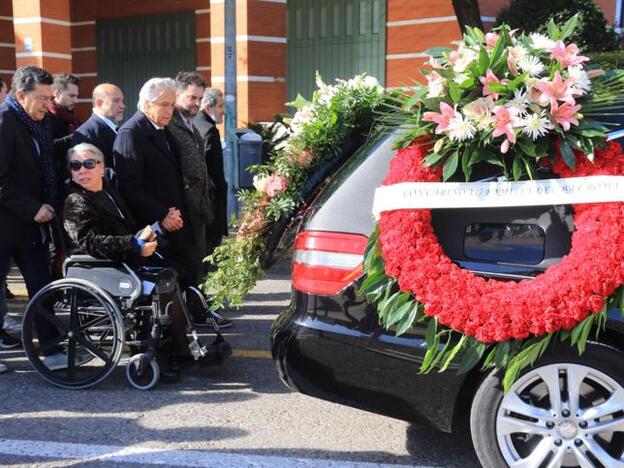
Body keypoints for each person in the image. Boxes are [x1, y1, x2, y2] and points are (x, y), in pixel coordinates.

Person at [63, 143, 191, 380]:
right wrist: (134, 245)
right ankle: (170, 354)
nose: (82, 170)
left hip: (122, 263)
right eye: (76, 166)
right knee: (164, 288)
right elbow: (91, 242)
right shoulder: (76, 200)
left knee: (176, 276)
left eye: (89, 164)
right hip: (99, 269)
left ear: (101, 167)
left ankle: (179, 349)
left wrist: (154, 231)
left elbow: (130, 230)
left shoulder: (109, 192)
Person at [0, 65, 64, 372]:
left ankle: (51, 350)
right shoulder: (4, 121)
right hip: (7, 224)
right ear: (20, 94)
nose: (47, 104)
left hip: (33, 226)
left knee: (42, 288)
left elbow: (46, 159)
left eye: (50, 97)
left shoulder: (42, 121)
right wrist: (31, 208)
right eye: (41, 98)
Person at [113, 78, 196, 287]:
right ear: (146, 104)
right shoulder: (131, 133)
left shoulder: (162, 128)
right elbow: (130, 188)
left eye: (171, 105)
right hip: (153, 225)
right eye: (163, 105)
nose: (169, 111)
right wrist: (162, 215)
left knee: (186, 274)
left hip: (175, 219)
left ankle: (194, 315)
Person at [194, 88, 228, 254]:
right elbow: (210, 169)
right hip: (210, 202)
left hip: (203, 201)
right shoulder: (208, 131)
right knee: (209, 252)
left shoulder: (194, 124)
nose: (224, 111)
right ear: (208, 108)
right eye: (220, 106)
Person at [71, 83, 125, 171]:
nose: (122, 106)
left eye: (122, 101)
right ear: (99, 103)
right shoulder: (86, 134)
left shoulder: (111, 129)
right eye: (116, 101)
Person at [48, 73, 81, 140]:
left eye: (76, 96)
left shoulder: (73, 119)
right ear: (57, 94)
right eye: (72, 96)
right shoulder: (45, 118)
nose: (76, 101)